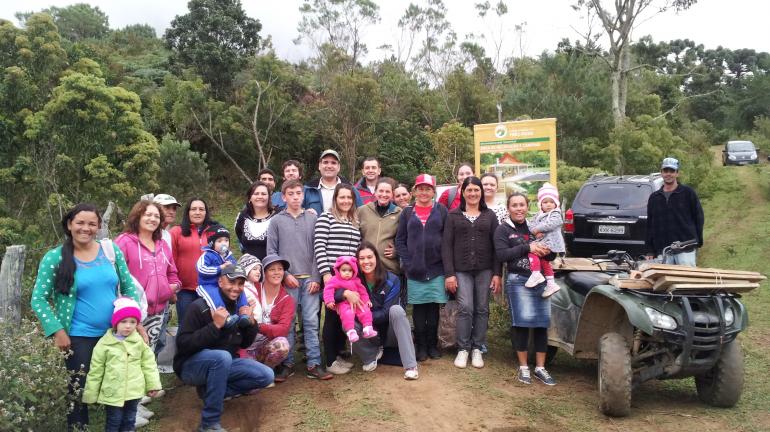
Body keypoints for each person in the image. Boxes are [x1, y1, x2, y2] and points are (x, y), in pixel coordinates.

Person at [31, 203, 142, 430]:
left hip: (114, 335)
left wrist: (135, 321)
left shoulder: (110, 252)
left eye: (92, 224)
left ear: (99, 226)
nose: (86, 228)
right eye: (80, 222)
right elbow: (38, 299)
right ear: (70, 224)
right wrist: (57, 330)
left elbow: (129, 288)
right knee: (78, 392)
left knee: (118, 384)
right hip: (78, 337)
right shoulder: (55, 258)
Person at [174, 265, 274, 432]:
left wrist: (251, 323)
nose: (236, 288)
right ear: (220, 281)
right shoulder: (200, 306)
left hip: (224, 364)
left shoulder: (239, 308)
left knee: (266, 375)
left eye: (240, 284)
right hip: (190, 366)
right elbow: (183, 343)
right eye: (231, 282)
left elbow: (244, 344)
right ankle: (209, 424)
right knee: (222, 357)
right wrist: (215, 326)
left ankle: (210, 392)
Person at [266, 179, 328, 381]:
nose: (295, 197)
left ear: (303, 196)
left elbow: (319, 250)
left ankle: (314, 363)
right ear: (283, 197)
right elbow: (271, 252)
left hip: (310, 280)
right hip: (288, 281)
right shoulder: (276, 221)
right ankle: (287, 362)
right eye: (290, 193)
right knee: (288, 321)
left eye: (298, 193)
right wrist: (284, 274)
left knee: (311, 321)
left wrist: (316, 277)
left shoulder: (312, 219)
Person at [494, 193, 556, 386]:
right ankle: (523, 368)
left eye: (522, 205)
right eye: (515, 205)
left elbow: (551, 255)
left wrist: (548, 251)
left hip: (541, 281)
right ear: (508, 208)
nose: (519, 208)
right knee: (521, 323)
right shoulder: (503, 230)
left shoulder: (534, 227)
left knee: (541, 324)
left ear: (527, 207)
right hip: (518, 280)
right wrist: (527, 248)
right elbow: (501, 254)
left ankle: (540, 367)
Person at [442, 176, 502, 369]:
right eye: (469, 190)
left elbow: (496, 247)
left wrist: (497, 273)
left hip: (485, 270)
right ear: (463, 192)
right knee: (466, 307)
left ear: (481, 193)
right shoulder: (453, 216)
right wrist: (449, 274)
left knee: (482, 308)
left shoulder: (490, 216)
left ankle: (477, 348)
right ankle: (463, 348)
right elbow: (446, 246)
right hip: (461, 270)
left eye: (477, 190)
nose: (473, 193)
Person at [335, 242, 419, 379]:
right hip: (365, 333)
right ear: (357, 261)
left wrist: (365, 317)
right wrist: (344, 293)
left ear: (376, 258)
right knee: (347, 322)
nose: (366, 262)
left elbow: (387, 313)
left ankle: (410, 365)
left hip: (388, 332)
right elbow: (326, 293)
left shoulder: (392, 279)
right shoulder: (352, 279)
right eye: (362, 258)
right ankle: (370, 356)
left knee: (397, 310)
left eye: (370, 257)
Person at [83, 297, 162, 432]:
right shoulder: (104, 344)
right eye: (124, 321)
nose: (128, 325)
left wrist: (152, 384)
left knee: (130, 419)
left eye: (133, 322)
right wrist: (91, 393)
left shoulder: (139, 343)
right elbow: (96, 370)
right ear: (115, 323)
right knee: (114, 420)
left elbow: (149, 365)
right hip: (112, 392)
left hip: (134, 391)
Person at [115, 200, 180, 352]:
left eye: (156, 216)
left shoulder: (162, 244)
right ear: (137, 216)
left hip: (159, 310)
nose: (152, 219)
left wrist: (173, 287)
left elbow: (172, 273)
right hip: (132, 312)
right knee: (130, 353)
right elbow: (114, 276)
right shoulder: (124, 242)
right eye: (148, 214)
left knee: (150, 354)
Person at [395, 174, 448, 362]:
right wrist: (408, 262)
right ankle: (421, 346)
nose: (424, 192)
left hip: (436, 270)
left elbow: (447, 240)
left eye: (428, 189)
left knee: (433, 310)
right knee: (418, 311)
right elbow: (400, 240)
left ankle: (433, 345)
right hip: (414, 271)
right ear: (414, 191)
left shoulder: (441, 210)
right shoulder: (407, 213)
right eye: (420, 188)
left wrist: (446, 265)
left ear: (433, 191)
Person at [315, 183, 363, 375]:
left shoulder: (354, 220)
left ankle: (337, 355)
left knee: (341, 315)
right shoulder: (326, 218)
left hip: (349, 277)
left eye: (349, 198)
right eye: (342, 197)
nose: (345, 201)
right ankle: (330, 361)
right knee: (331, 318)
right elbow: (319, 246)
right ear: (335, 199)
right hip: (333, 277)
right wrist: (326, 273)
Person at [646, 157, 704, 266]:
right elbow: (650, 225)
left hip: (685, 248)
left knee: (686, 281)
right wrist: (650, 249)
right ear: (661, 173)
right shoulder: (654, 197)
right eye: (666, 171)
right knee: (663, 282)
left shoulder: (688, 193)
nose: (668, 174)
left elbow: (699, 217)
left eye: (672, 171)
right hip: (663, 251)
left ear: (677, 173)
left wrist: (698, 241)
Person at [239, 254, 294, 371]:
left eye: (280, 269)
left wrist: (257, 326)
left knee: (282, 345)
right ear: (264, 273)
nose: (277, 273)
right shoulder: (252, 289)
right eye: (272, 269)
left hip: (265, 344)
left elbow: (283, 329)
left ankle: (265, 370)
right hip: (245, 342)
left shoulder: (287, 299)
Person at [170, 197, 217, 325]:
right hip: (185, 290)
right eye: (194, 209)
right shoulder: (176, 232)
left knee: (209, 325)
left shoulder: (215, 231)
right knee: (186, 325)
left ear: (206, 212)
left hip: (210, 289)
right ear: (188, 212)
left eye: (201, 209)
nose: (197, 212)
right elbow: (170, 261)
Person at [196, 226, 251, 329]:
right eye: (219, 241)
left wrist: (233, 267)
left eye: (226, 240)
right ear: (212, 243)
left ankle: (243, 315)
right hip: (208, 285)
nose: (224, 243)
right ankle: (225, 318)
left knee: (241, 292)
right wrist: (219, 268)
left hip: (224, 284)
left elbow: (236, 270)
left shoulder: (229, 256)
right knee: (216, 298)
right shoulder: (207, 255)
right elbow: (201, 269)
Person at [324, 256, 378, 342]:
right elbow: (328, 289)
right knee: (347, 314)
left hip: (357, 302)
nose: (347, 273)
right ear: (338, 270)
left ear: (354, 271)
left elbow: (362, 291)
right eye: (344, 270)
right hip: (344, 304)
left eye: (350, 270)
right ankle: (351, 332)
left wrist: (366, 300)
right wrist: (329, 300)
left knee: (365, 311)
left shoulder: (356, 280)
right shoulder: (335, 280)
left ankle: (367, 328)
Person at [526, 183, 565, 298]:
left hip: (551, 245)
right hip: (544, 244)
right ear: (540, 204)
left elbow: (550, 224)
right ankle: (551, 283)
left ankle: (536, 273)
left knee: (531, 252)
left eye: (551, 202)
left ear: (556, 204)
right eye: (545, 202)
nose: (548, 205)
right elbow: (530, 225)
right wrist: (534, 230)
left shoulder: (555, 214)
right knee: (544, 262)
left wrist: (536, 229)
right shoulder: (538, 215)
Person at [357, 177, 402, 275]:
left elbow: (404, 239)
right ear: (375, 192)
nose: (384, 194)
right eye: (381, 191)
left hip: (389, 269)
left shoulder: (399, 213)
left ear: (392, 194)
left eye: (387, 192)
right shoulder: (362, 210)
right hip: (365, 267)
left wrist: (397, 251)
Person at [303, 149, 363, 215]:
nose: (329, 166)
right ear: (319, 166)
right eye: (325, 162)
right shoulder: (307, 190)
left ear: (338, 167)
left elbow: (361, 214)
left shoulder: (351, 189)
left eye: (333, 163)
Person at [234, 181, 276, 260]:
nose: (260, 196)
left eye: (263, 194)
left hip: (272, 268)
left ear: (269, 197)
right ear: (250, 197)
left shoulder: (277, 216)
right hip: (249, 269)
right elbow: (239, 235)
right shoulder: (242, 216)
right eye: (256, 194)